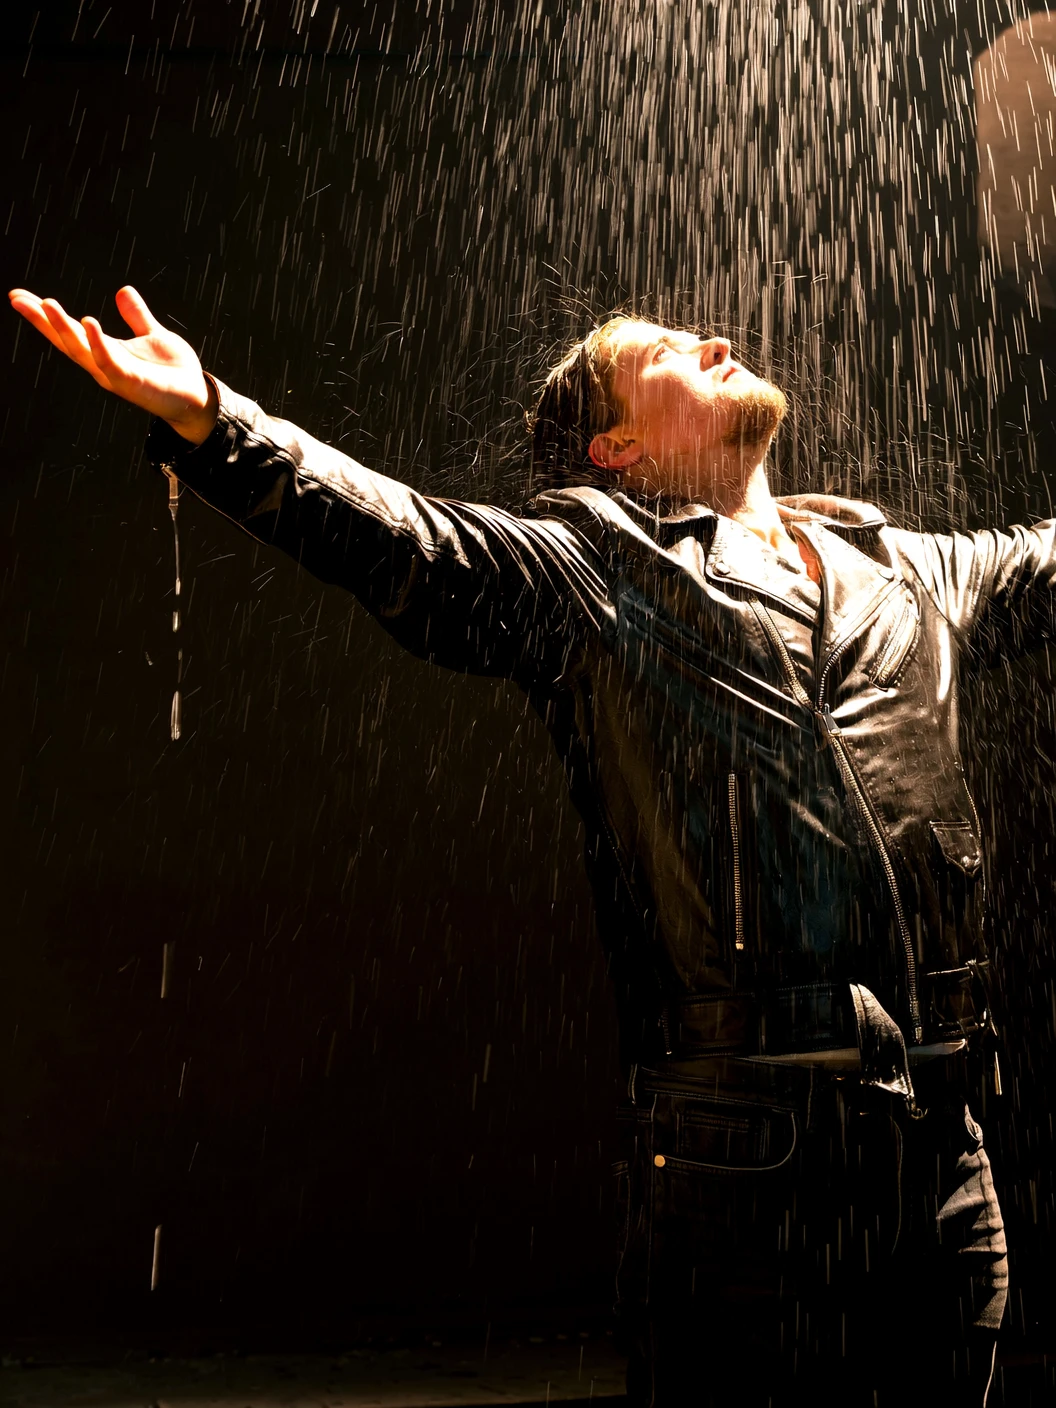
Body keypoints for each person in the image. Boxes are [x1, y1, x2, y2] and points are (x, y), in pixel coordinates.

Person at [10, 285, 1032, 1406]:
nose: (720, 339)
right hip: (746, 1163)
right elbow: (407, 539)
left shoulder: (904, 567)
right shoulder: (600, 566)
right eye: (670, 354)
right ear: (621, 449)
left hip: (945, 1160)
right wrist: (215, 416)